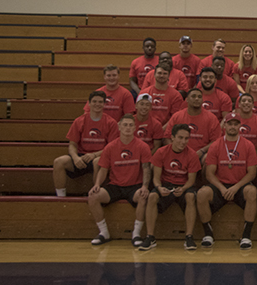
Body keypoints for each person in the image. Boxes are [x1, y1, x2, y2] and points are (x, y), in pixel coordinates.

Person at [87, 114, 151, 246]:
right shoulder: (110, 147)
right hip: (115, 186)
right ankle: (104, 233)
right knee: (93, 196)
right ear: (119, 127)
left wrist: (145, 186)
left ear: (134, 128)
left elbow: (146, 168)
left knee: (143, 196)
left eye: (130, 125)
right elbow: (103, 169)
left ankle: (136, 234)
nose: (128, 128)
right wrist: (97, 184)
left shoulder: (142, 146)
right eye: (125, 125)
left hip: (134, 186)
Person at [198, 112, 257, 249]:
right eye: (229, 124)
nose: (232, 127)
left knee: (252, 191)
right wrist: (222, 188)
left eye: (235, 124)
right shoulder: (216, 145)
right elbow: (209, 173)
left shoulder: (248, 145)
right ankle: (208, 233)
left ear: (240, 126)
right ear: (224, 125)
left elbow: (252, 173)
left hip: (239, 185)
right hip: (220, 185)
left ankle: (246, 235)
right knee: (202, 194)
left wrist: (235, 187)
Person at [140, 124, 201, 251]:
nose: (183, 141)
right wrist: (159, 187)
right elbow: (156, 178)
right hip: (166, 185)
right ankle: (150, 237)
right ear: (172, 138)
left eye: (186, 138)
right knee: (152, 196)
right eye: (180, 138)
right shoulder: (161, 152)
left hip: (184, 186)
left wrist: (183, 189)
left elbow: (191, 180)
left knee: (190, 196)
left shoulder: (192, 154)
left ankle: (189, 237)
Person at [53, 91, 119, 197]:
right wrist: (75, 158)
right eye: (94, 101)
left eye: (100, 102)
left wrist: (94, 155)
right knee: (59, 162)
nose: (97, 104)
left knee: (98, 162)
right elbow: (72, 144)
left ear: (104, 104)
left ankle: (96, 195)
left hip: (99, 156)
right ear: (89, 103)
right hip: (82, 157)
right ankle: (60, 197)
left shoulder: (111, 123)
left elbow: (111, 147)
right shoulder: (79, 121)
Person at [164, 88, 221, 164]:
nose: (197, 99)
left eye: (199, 97)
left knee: (208, 158)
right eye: (193, 96)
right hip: (178, 152)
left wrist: (202, 151)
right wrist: (176, 151)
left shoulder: (211, 118)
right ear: (187, 99)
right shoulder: (177, 116)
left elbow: (216, 141)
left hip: (200, 154)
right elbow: (167, 137)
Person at [234, 93, 257, 157]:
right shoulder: (232, 122)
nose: (246, 103)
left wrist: (251, 158)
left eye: (249, 101)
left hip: (253, 158)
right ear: (239, 104)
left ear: (253, 105)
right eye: (244, 101)